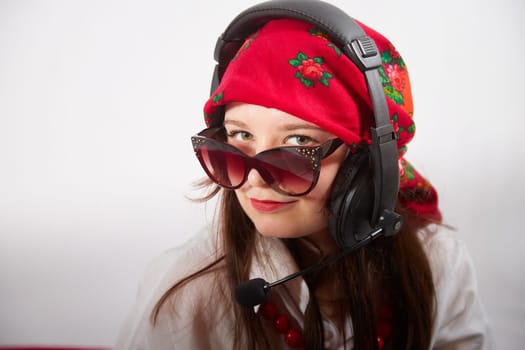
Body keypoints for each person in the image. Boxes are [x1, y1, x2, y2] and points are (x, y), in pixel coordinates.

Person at [115, 1, 492, 349]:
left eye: (298, 142)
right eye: (241, 135)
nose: (255, 179)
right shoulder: (186, 293)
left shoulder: (439, 261)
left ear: (368, 159)